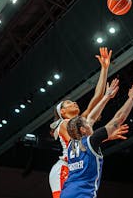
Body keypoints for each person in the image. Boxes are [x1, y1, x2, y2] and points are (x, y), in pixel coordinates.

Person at [60, 80, 133, 198]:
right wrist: (131, 98)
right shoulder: (92, 140)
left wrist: (107, 96)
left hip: (66, 193)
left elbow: (91, 118)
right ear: (83, 130)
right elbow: (119, 118)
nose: (91, 123)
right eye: (87, 124)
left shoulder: (70, 144)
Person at [49, 47, 112, 198]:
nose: (74, 103)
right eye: (68, 103)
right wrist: (104, 136)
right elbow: (82, 142)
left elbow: (97, 97)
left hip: (76, 169)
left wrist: (104, 69)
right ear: (62, 112)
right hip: (64, 168)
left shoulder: (78, 122)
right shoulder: (63, 124)